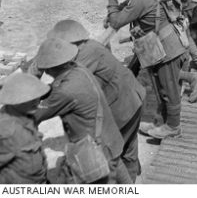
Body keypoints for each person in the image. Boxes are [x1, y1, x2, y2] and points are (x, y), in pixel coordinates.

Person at [45, 19, 145, 182]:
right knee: (128, 149)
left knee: (111, 156)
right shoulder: (90, 45)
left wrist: (35, 92)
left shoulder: (84, 55)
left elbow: (66, 86)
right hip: (133, 98)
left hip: (123, 107)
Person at [105, 0, 188, 142]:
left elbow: (116, 22)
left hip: (166, 47)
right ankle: (163, 123)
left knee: (169, 88)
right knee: (161, 86)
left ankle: (173, 127)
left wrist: (112, 0)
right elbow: (129, 7)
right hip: (160, 43)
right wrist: (119, 9)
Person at [34, 37, 129, 183]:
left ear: (48, 69)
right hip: (111, 143)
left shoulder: (65, 92)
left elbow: (36, 115)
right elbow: (55, 89)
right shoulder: (79, 69)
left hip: (97, 153)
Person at [0, 73, 50, 184]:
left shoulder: (25, 114)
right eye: (29, 99)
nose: (36, 103)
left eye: (37, 98)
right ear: (14, 100)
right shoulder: (6, 131)